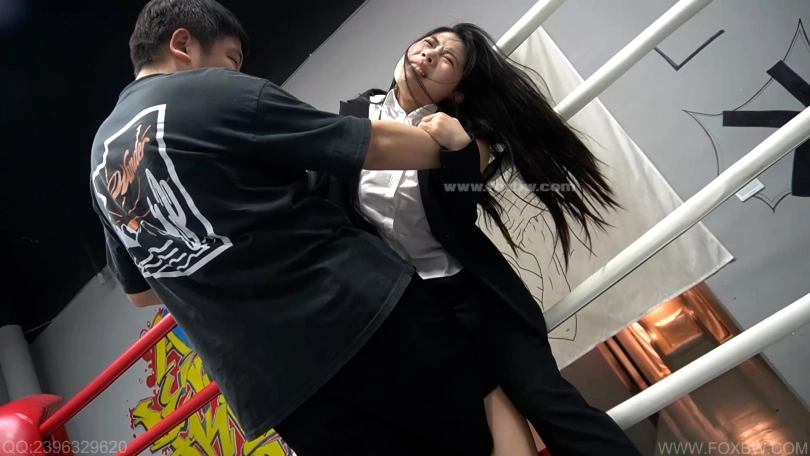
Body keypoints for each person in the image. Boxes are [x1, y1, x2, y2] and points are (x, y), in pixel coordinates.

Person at [90, 2, 497, 456]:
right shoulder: (211, 90)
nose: (236, 72)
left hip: (278, 386)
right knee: (476, 435)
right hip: (358, 313)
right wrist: (459, 150)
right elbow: (368, 143)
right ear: (183, 44)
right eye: (231, 59)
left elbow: (140, 292)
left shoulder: (99, 163)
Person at [309, 23, 644, 456]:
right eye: (429, 44)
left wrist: (461, 151)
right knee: (462, 429)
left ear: (459, 93)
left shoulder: (463, 135)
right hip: (407, 307)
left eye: (446, 59)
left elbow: (459, 207)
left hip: (471, 296)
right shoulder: (353, 115)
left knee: (547, 403)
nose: (429, 55)